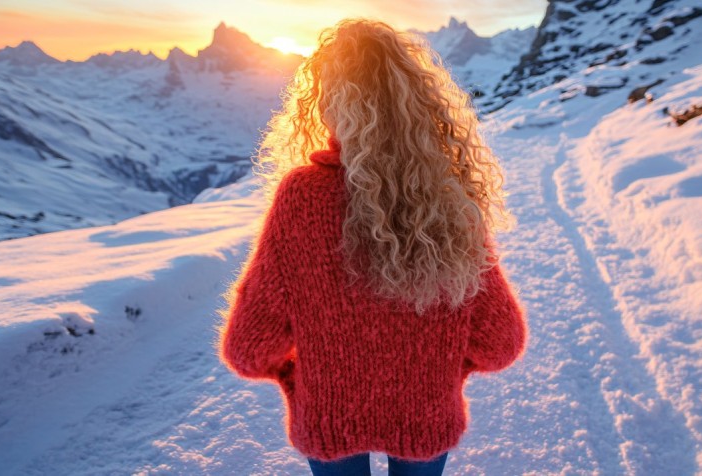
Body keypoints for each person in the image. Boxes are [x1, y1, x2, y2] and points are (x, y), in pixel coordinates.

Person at [215, 18, 528, 476]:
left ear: (327, 104)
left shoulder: (302, 198)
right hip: (427, 418)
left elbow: (249, 347)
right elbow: (500, 343)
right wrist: (440, 373)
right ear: (419, 103)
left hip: (329, 420)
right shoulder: (448, 197)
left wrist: (298, 381)